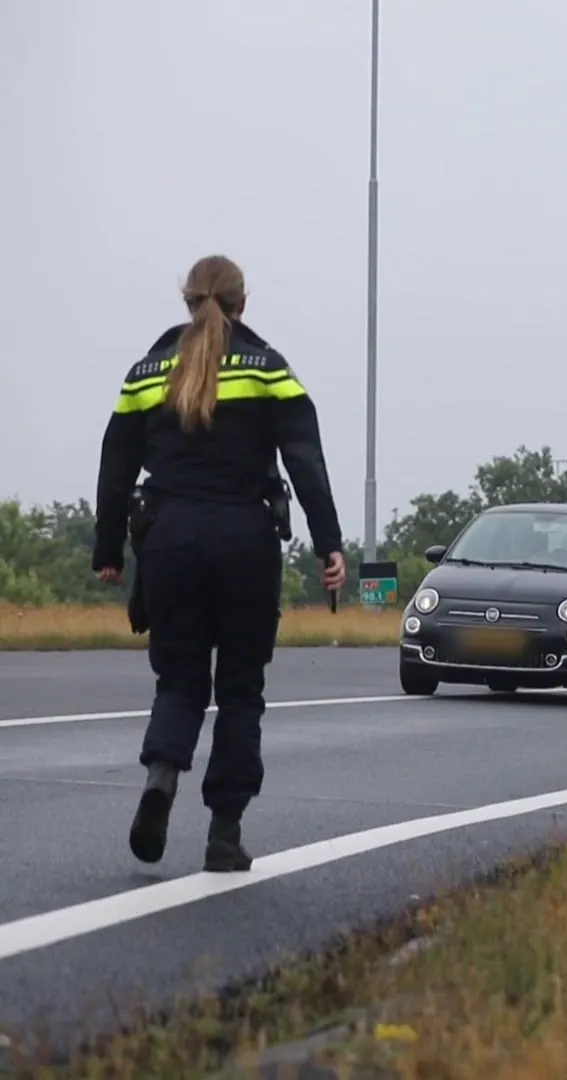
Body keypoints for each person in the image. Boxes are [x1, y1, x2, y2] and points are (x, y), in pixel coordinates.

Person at [91, 255, 345, 873]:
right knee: (239, 689)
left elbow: (115, 464)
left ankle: (160, 780)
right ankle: (223, 835)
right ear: (242, 302)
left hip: (169, 541)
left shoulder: (146, 372)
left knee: (179, 680)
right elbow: (304, 460)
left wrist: (107, 552)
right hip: (243, 542)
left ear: (188, 300)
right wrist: (328, 544)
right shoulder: (267, 367)